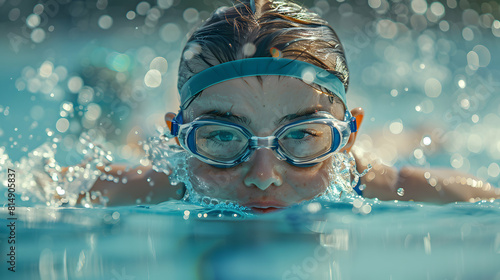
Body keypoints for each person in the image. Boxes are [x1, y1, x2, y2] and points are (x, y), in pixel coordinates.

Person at [82, 0, 499, 212]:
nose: (264, 176)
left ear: (346, 135)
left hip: (365, 157)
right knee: (138, 141)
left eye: (302, 134)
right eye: (222, 136)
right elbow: (32, 188)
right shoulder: (163, 180)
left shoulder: (369, 181)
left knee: (387, 149)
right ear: (182, 133)